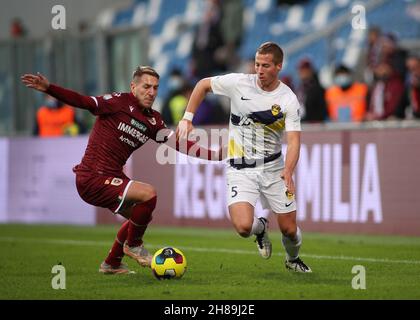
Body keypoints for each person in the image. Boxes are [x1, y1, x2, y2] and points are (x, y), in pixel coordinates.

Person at [21, 67, 221, 275]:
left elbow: (179, 144)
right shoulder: (117, 102)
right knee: (148, 194)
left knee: (139, 216)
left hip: (112, 177)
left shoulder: (153, 120)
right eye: (146, 87)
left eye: (155, 88)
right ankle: (134, 246)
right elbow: (83, 101)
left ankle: (112, 263)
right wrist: (49, 88)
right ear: (133, 87)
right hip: (92, 177)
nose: (151, 92)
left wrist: (213, 155)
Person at [176, 42, 312, 273]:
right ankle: (260, 229)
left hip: (273, 167)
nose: (259, 69)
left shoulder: (288, 99)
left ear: (278, 66)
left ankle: (293, 259)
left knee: (289, 229)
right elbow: (202, 85)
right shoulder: (239, 83)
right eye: (257, 64)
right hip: (240, 168)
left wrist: (288, 170)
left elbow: (294, 141)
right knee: (242, 227)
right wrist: (188, 118)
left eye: (265, 65)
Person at [296, 58, 327, 123]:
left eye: (305, 69)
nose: (302, 72)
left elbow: (321, 112)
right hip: (301, 124)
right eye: (301, 69)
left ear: (311, 70)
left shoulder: (318, 89)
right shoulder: (300, 89)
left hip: (313, 126)